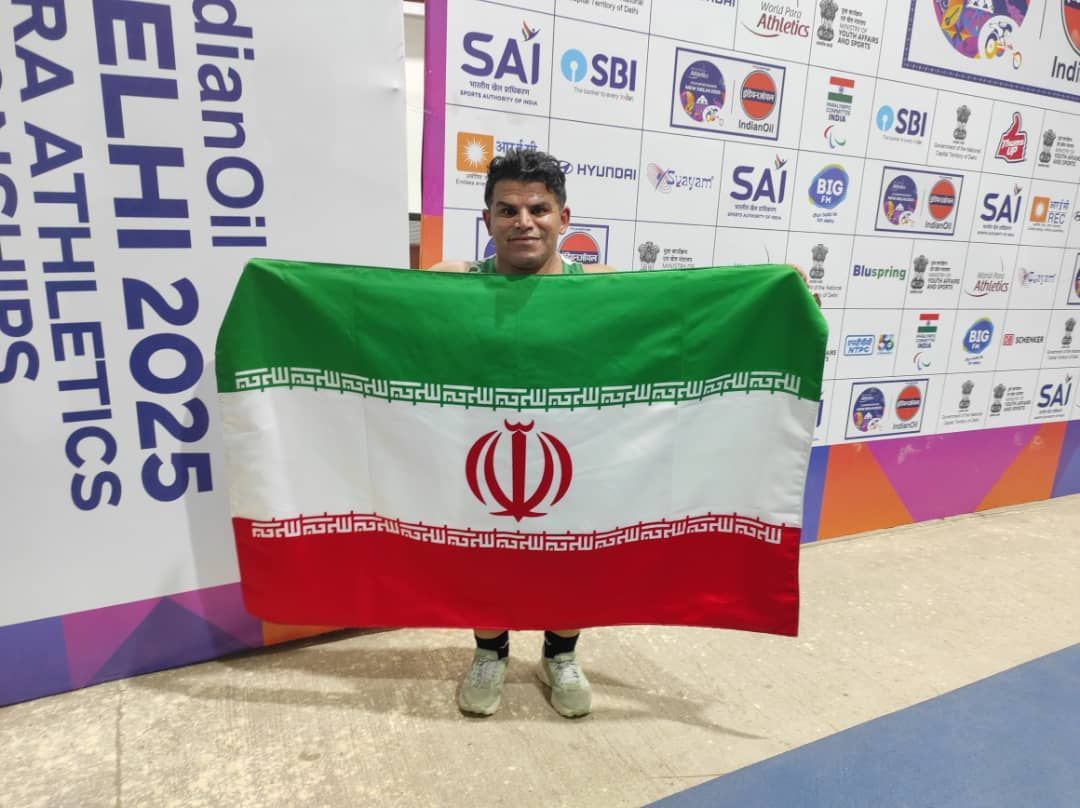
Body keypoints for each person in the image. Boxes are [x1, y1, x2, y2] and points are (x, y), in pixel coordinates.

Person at [430, 148, 812, 718]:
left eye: (538, 209)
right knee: (484, 556)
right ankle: (491, 652)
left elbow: (687, 311)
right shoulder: (450, 282)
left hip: (579, 450)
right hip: (483, 450)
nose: (523, 222)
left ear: (563, 218)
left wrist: (773, 290)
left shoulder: (602, 286)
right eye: (507, 210)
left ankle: (560, 655)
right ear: (487, 219)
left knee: (574, 558)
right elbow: (373, 315)